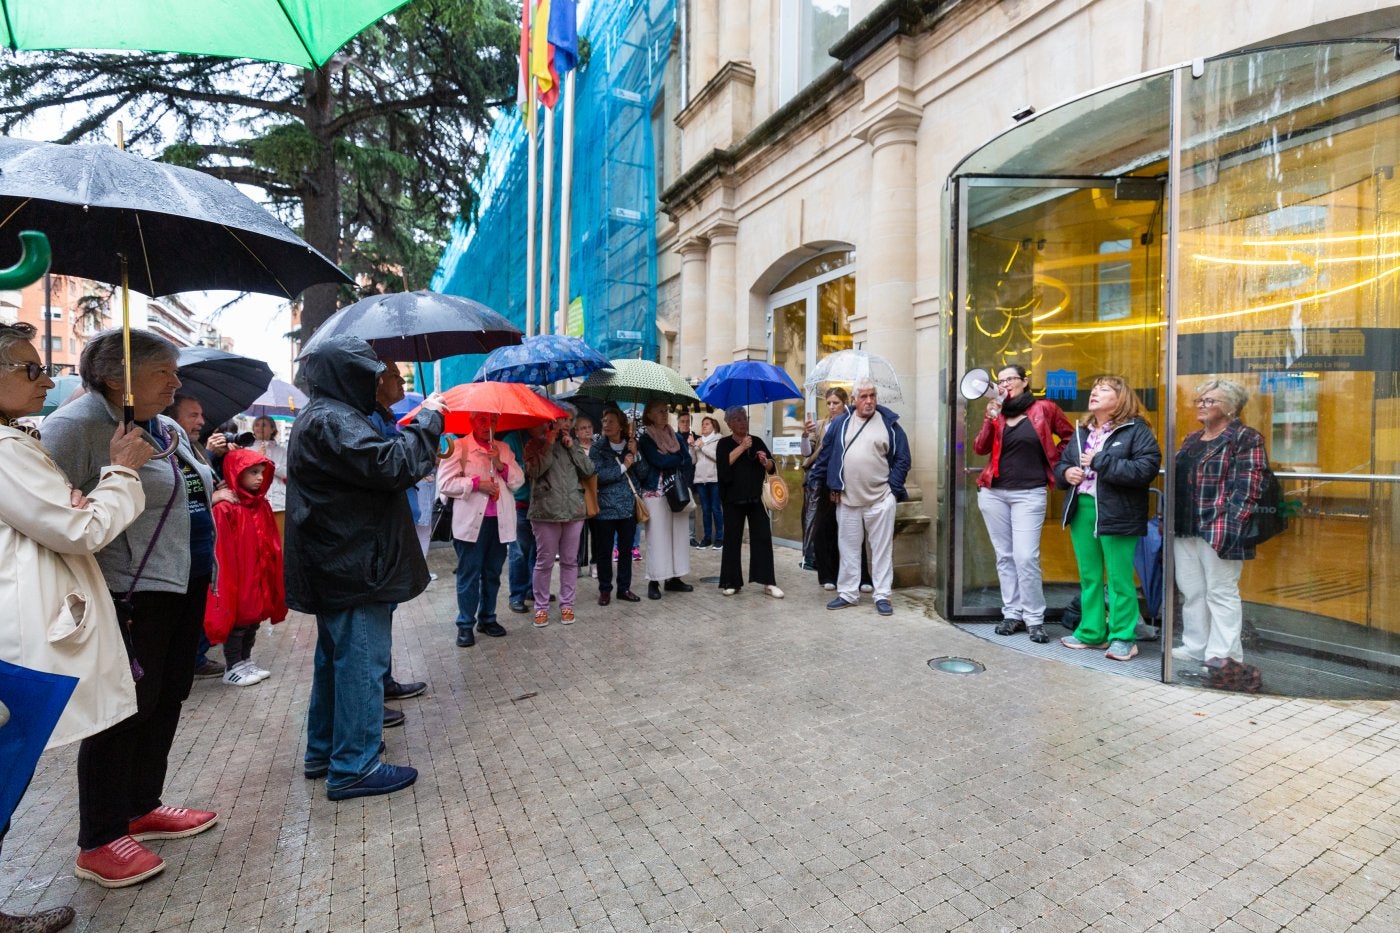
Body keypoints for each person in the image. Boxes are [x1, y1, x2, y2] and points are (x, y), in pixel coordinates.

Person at [44, 328, 223, 887]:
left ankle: (141, 806)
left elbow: (196, 487)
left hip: (182, 580)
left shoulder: (165, 427)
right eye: (162, 373)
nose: (176, 382)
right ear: (117, 377)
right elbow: (51, 509)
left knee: (168, 694)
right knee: (122, 708)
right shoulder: (75, 427)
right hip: (128, 590)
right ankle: (98, 839)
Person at [0, 322, 151, 925]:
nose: (43, 378)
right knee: (8, 769)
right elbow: (78, 528)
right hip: (22, 641)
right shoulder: (5, 451)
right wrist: (122, 472)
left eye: (42, 367)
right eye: (27, 368)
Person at [285, 335, 446, 800]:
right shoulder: (333, 419)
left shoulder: (330, 416)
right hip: (352, 564)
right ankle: (354, 765)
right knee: (360, 662)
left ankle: (326, 752)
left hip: (343, 562)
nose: (379, 379)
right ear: (348, 376)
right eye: (371, 372)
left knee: (338, 661)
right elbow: (392, 465)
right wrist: (429, 420)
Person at [1054, 374, 1162, 662]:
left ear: (1121, 398)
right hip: (1083, 510)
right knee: (1089, 576)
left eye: (1104, 390)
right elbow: (1061, 464)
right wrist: (1066, 473)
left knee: (1118, 578)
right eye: (1094, 389)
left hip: (1118, 513)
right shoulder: (1081, 431)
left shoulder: (1135, 430)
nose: (1094, 393)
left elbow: (1145, 468)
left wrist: (1101, 461)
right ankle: (1091, 632)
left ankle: (1123, 637)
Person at [972, 365, 1074, 644]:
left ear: (1024, 382)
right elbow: (980, 448)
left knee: (1026, 557)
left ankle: (1035, 618)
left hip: (1029, 493)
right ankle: (1012, 613)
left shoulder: (1045, 408)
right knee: (1004, 556)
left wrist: (1055, 460)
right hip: (994, 493)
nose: (1004, 384)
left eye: (1010, 379)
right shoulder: (997, 413)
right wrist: (988, 419)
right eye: (1000, 380)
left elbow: (1068, 436)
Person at [1172, 378, 1267, 667]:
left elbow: (1250, 485)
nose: (1201, 405)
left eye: (1209, 401)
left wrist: (1233, 523)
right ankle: (1196, 646)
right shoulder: (1191, 438)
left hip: (1218, 527)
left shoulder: (1245, 437)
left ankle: (1224, 653)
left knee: (1221, 591)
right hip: (1185, 526)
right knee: (1192, 591)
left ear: (1230, 407)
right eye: (1199, 400)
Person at [811, 380, 910, 616]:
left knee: (881, 550)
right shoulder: (840, 423)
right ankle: (848, 593)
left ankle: (882, 595)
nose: (869, 401)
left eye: (872, 395)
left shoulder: (890, 424)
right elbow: (826, 455)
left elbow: (903, 459)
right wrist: (819, 481)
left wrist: (892, 491)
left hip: (880, 499)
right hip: (847, 499)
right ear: (854, 400)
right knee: (848, 548)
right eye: (864, 396)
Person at [365, 359, 429, 716]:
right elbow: (391, 467)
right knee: (371, 624)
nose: (402, 380)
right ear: (376, 382)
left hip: (395, 528)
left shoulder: (384, 418)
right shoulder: (369, 422)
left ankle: (383, 681)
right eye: (394, 375)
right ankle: (372, 698)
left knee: (384, 615)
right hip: (380, 535)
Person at [438, 412, 524, 647]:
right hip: (470, 524)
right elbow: (445, 484)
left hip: (500, 522)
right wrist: (476, 484)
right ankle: (465, 624)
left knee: (493, 573)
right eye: (482, 421)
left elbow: (518, 481)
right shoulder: (460, 447)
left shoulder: (503, 448)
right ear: (472, 422)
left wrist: (500, 465)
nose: (488, 426)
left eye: (492, 421)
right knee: (469, 574)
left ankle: (488, 618)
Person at [205, 448, 287, 686]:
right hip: (239, 577)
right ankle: (233, 666)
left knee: (253, 621)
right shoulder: (226, 508)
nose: (260, 477)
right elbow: (222, 550)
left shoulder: (260, 505)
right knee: (238, 623)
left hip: (257, 575)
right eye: (252, 472)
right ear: (236, 473)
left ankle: (245, 661)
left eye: (262, 472)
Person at [163, 393, 226, 679]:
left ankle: (193, 659)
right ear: (173, 418)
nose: (201, 421)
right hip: (176, 556)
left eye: (201, 415)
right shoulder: (164, 448)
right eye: (193, 415)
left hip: (200, 554)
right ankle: (191, 662)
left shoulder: (195, 447)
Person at [524, 404, 595, 627]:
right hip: (546, 511)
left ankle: (567, 605)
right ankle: (541, 608)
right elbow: (534, 471)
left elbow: (589, 470)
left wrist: (573, 448)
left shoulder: (572, 446)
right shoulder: (535, 444)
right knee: (544, 562)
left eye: (568, 420)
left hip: (574, 510)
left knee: (569, 561)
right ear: (551, 420)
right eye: (561, 418)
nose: (564, 423)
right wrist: (549, 443)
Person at [714, 406, 783, 599]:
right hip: (732, 500)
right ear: (729, 424)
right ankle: (731, 582)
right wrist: (742, 447)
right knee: (732, 540)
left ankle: (768, 582)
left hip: (756, 499)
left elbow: (771, 466)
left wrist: (765, 462)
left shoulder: (757, 441)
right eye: (737, 419)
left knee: (762, 538)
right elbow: (723, 466)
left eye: (744, 418)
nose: (742, 422)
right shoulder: (724, 444)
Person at [634, 400, 696, 600]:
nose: (664, 414)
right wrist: (675, 458)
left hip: (676, 490)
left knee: (678, 534)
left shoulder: (675, 435)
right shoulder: (646, 438)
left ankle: (674, 578)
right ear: (649, 415)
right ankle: (655, 580)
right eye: (659, 411)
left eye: (665, 411)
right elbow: (658, 461)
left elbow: (687, 460)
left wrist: (675, 458)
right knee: (658, 536)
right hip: (656, 491)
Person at [590, 406, 642, 605]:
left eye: (611, 421)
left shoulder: (631, 446)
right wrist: (624, 466)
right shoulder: (597, 448)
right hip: (604, 509)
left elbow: (642, 474)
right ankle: (605, 589)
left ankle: (624, 588)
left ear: (621, 425)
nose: (606, 425)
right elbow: (599, 476)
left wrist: (636, 456)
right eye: (604, 421)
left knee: (626, 550)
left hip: (628, 507)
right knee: (604, 551)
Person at [804, 388, 849, 590]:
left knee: (845, 529)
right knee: (822, 528)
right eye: (829, 403)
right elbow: (806, 453)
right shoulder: (822, 425)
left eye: (836, 403)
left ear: (845, 403)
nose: (831, 407)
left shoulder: (852, 423)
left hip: (845, 481)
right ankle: (825, 574)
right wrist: (806, 436)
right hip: (822, 482)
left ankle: (845, 574)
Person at [503, 426, 537, 616]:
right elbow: (508, 472)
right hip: (519, 503)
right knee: (519, 552)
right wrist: (527, 469)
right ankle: (517, 595)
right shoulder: (511, 440)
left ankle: (534, 589)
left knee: (537, 550)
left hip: (539, 504)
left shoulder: (542, 440)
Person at [250, 415, 288, 536]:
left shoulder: (282, 451)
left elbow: (286, 473)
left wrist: (269, 460)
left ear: (272, 429)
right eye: (257, 424)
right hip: (255, 502)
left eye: (264, 425)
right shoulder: (247, 450)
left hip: (279, 502)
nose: (260, 428)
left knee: (279, 539)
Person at [691, 415, 724, 549]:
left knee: (716, 509)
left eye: (707, 424)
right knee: (705, 510)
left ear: (714, 426)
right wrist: (691, 447)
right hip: (700, 480)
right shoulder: (698, 440)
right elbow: (693, 461)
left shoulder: (719, 439)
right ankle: (707, 538)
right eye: (703, 424)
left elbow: (719, 458)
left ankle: (720, 539)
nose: (704, 426)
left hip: (714, 479)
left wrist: (703, 447)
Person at [574, 414, 596, 578]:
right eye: (583, 428)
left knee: (597, 530)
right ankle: (578, 563)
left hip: (596, 492)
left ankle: (595, 563)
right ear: (576, 432)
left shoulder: (598, 446)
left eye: (589, 427)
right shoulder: (573, 448)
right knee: (579, 531)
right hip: (579, 493)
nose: (587, 430)